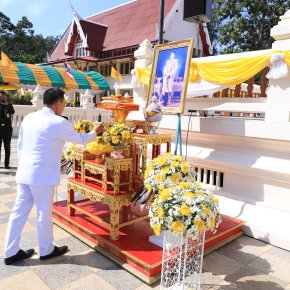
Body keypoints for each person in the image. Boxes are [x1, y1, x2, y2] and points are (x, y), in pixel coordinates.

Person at [4, 88, 104, 265]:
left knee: (18, 212)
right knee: (43, 212)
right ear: (57, 103)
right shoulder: (58, 122)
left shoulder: (29, 118)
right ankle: (46, 249)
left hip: (25, 172)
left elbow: (20, 145)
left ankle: (10, 252)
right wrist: (96, 131)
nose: (64, 107)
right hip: (41, 176)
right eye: (64, 103)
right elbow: (81, 139)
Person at [0, 91, 15, 169]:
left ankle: (6, 164)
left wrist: (7, 104)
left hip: (7, 129)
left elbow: (12, 111)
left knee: (7, 147)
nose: (2, 97)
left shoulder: (9, 104)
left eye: (4, 96)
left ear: (6, 96)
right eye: (1, 96)